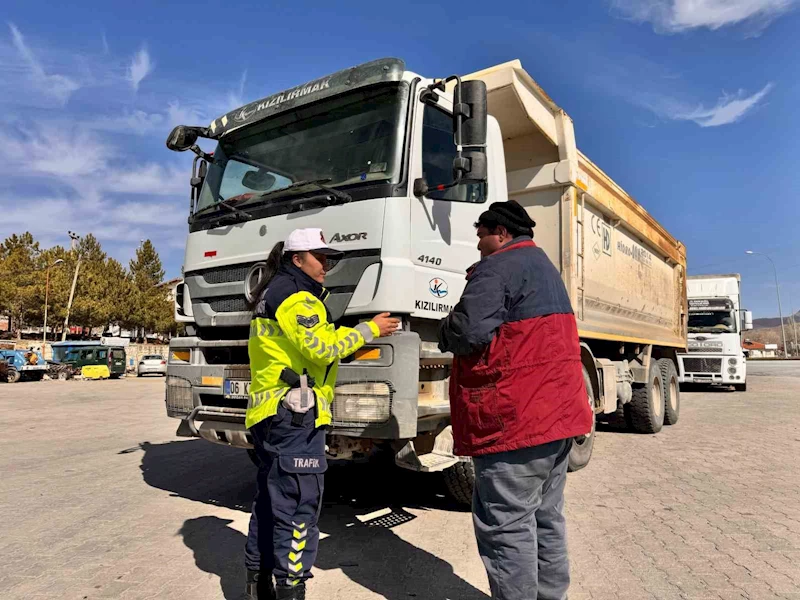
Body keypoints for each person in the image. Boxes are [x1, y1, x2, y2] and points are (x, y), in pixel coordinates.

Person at [438, 200, 593, 600]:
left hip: (516, 422)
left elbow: (468, 332)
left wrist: (444, 327)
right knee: (546, 518)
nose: (477, 243)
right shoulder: (544, 267)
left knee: (506, 526)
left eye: (481, 234)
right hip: (556, 420)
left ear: (501, 233)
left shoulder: (496, 268)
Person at [244, 227, 399, 600]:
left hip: (270, 414)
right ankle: (291, 589)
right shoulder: (297, 298)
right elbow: (321, 348)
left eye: (328, 259)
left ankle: (258, 585)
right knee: (300, 508)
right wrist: (368, 329)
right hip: (295, 417)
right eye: (320, 258)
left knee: (271, 500)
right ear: (297, 259)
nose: (325, 266)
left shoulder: (272, 292)